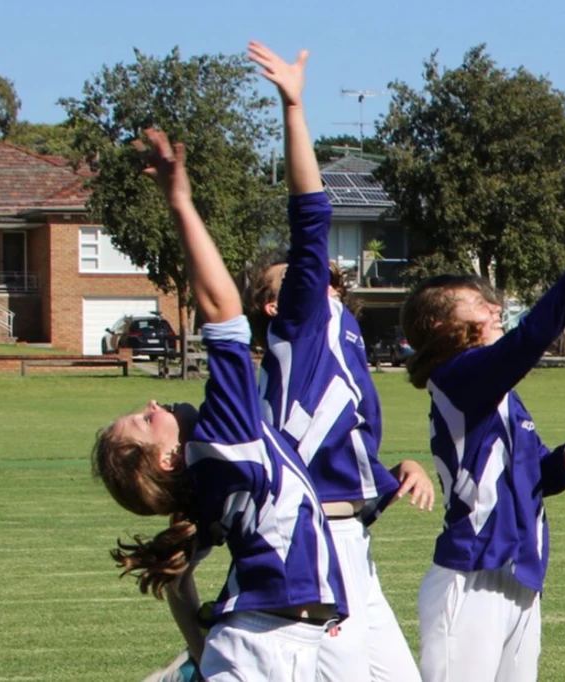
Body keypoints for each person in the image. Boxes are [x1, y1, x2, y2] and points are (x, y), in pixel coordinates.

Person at [94, 127, 345, 681]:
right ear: (166, 458)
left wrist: (202, 655)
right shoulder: (222, 435)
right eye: (144, 420)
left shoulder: (211, 475)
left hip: (269, 642)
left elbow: (178, 579)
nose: (154, 404)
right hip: (264, 647)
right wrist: (180, 203)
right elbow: (221, 309)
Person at [403, 153, 565, 682]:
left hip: (519, 579)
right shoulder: (459, 377)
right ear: (440, 323)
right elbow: (532, 336)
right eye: (474, 305)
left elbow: (535, 481)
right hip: (471, 578)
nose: (490, 310)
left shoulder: (498, 394)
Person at [243, 41, 431, 682]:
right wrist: (294, 106)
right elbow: (311, 215)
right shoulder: (300, 322)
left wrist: (389, 470)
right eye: (285, 278)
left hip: (356, 539)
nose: (299, 274)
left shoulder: (341, 325)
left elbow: (331, 426)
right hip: (317, 538)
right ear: (275, 308)